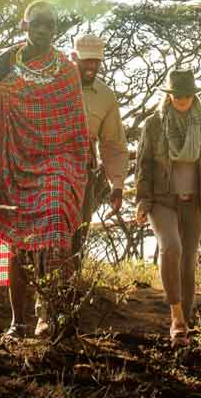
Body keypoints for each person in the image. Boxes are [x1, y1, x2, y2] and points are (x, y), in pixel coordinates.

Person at [0, 0, 90, 339]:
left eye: (50, 25)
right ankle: (19, 321)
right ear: (24, 25)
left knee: (55, 223)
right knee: (19, 243)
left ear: (56, 30)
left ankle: (53, 314)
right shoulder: (3, 63)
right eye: (37, 23)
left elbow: (76, 128)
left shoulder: (67, 71)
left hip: (59, 162)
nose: (43, 30)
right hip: (12, 164)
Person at [134, 70, 201, 345]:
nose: (182, 100)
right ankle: (176, 317)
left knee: (188, 262)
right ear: (169, 95)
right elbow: (144, 164)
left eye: (186, 95)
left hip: (194, 201)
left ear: (193, 95)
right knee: (171, 247)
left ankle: (185, 322)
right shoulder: (153, 125)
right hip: (162, 201)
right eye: (177, 95)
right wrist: (142, 199)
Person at [70, 32, 128, 260]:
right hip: (49, 172)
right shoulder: (54, 85)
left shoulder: (106, 96)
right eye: (86, 60)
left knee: (78, 236)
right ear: (74, 57)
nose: (91, 66)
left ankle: (70, 291)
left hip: (83, 176)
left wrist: (118, 186)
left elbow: (113, 144)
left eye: (96, 61)